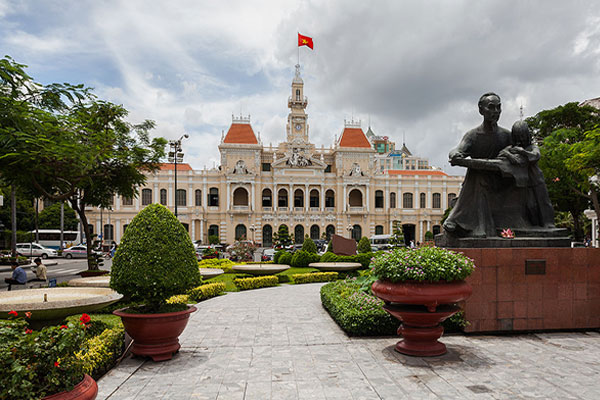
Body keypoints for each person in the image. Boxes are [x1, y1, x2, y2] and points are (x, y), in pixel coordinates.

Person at [443, 92, 512, 238]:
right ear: (481, 110)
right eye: (491, 108)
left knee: (478, 176)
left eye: (498, 108)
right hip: (478, 181)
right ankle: (473, 225)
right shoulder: (473, 135)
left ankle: (456, 220)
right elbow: (459, 149)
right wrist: (455, 154)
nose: (495, 112)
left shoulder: (507, 135)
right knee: (478, 175)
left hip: (502, 181)